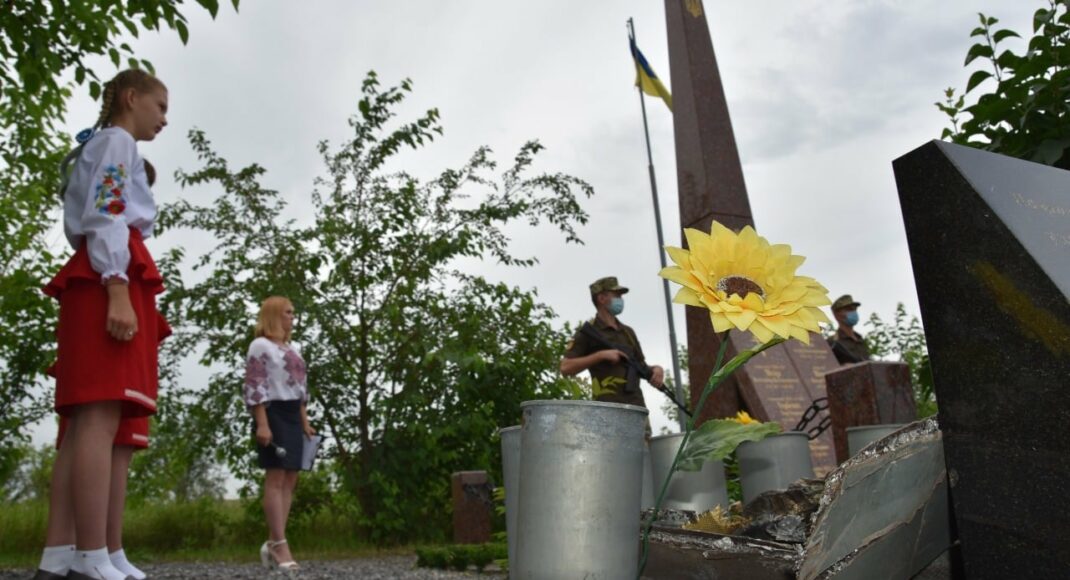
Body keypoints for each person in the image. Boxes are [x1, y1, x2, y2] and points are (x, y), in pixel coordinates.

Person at [36, 68, 170, 580]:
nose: (164, 119)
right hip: (107, 269)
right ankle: (90, 553)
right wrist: (117, 285)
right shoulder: (117, 142)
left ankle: (66, 552)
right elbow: (108, 210)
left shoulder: (104, 144)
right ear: (132, 98)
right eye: (159, 107)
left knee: (89, 421)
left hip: (100, 266)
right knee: (96, 417)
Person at [244, 296, 315, 571]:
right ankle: (280, 544)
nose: (292, 317)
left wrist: (305, 421)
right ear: (273, 315)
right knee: (275, 476)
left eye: (293, 312)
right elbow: (256, 384)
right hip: (272, 412)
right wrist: (262, 423)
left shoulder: (291, 347)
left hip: (292, 415)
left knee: (290, 478)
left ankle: (274, 541)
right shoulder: (260, 346)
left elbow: (300, 388)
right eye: (287, 312)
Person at [559, 277, 666, 409]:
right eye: (616, 295)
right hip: (606, 410)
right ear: (601, 299)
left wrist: (656, 369)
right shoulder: (588, 332)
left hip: (636, 408)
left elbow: (640, 365)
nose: (620, 299)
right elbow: (565, 368)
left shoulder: (627, 332)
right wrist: (600, 356)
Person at [827, 294, 872, 365]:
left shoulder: (860, 339)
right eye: (849, 310)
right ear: (837, 315)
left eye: (854, 309)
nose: (854, 312)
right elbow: (826, 368)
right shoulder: (832, 343)